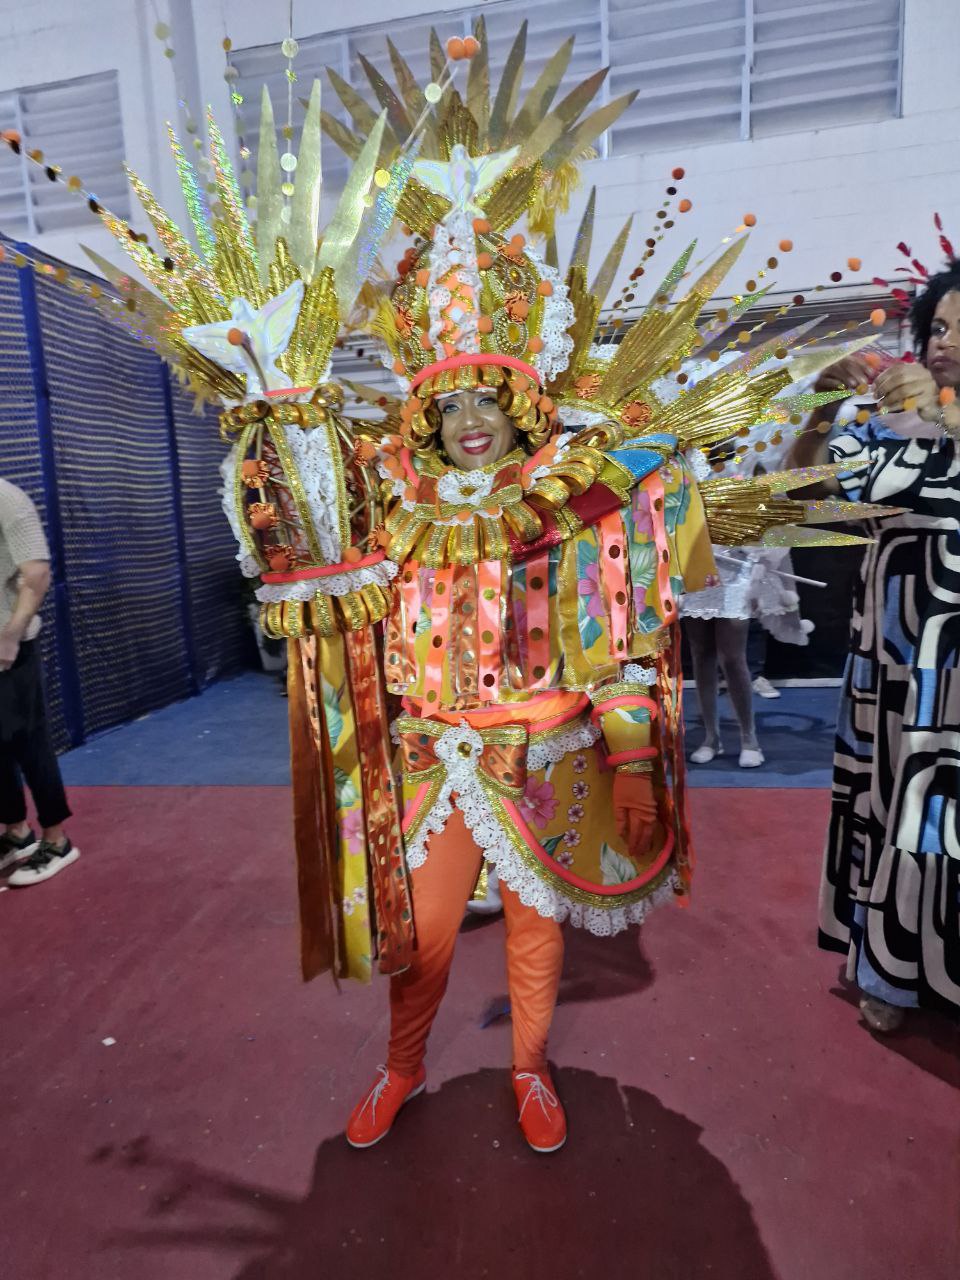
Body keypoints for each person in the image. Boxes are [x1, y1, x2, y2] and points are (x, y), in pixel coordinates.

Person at [790, 259, 960, 1032]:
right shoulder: (891, 425)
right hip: (894, 654)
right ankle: (889, 968)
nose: (944, 342)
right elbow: (801, 493)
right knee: (894, 799)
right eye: (939, 327)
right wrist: (824, 402)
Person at [0, 478, 79, 885]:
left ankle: (57, 839)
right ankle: (17, 832)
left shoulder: (7, 499)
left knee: (29, 742)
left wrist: (11, 635)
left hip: (8, 646)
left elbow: (38, 573)